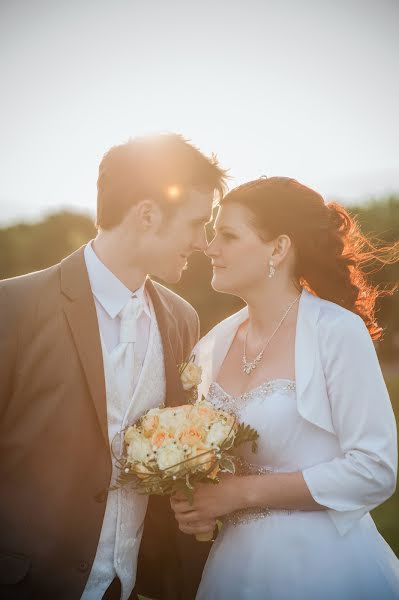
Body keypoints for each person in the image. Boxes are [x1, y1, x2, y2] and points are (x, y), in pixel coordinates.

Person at [0, 133, 227, 600]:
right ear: (147, 214)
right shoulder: (14, 307)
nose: (203, 243)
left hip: (128, 585)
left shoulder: (182, 319)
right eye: (196, 223)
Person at [171, 176, 399, 599]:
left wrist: (240, 493)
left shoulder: (336, 332)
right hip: (233, 569)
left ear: (278, 248)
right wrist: (196, 500)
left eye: (228, 235)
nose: (209, 247)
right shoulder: (212, 345)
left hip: (320, 566)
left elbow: (375, 470)